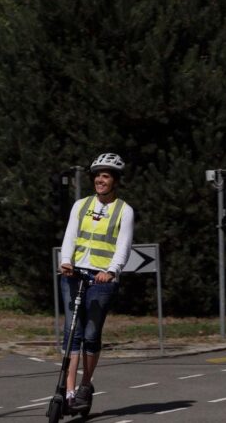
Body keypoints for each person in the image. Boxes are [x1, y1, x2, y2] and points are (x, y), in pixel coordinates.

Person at [59, 152, 134, 411]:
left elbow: (123, 247)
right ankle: (68, 391)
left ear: (115, 181)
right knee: (72, 333)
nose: (100, 180)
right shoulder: (81, 205)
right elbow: (70, 236)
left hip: (102, 280)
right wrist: (66, 261)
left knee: (91, 334)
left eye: (106, 176)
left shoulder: (124, 211)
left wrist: (111, 270)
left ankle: (85, 385)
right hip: (74, 274)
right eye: (97, 176)